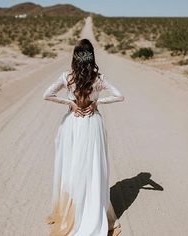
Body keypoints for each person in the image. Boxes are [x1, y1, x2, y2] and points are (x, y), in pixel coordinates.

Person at [43, 38, 125, 236]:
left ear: (75, 57)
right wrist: (97, 103)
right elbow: (119, 96)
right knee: (93, 166)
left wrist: (70, 104)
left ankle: (75, 210)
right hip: (93, 124)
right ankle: (92, 208)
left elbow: (47, 94)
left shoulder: (67, 77)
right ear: (91, 57)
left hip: (74, 124)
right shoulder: (99, 79)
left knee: (73, 166)